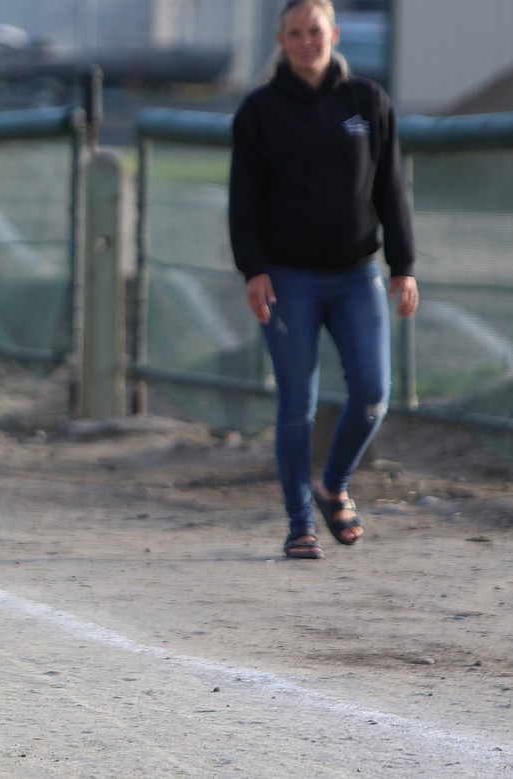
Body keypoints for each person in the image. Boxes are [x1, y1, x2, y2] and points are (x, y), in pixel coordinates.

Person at [227, 0, 419, 560]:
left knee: (372, 393)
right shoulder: (260, 111)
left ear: (333, 33)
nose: (307, 41)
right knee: (297, 404)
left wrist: (404, 266)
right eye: (295, 33)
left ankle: (333, 483)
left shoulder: (368, 101)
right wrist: (253, 270)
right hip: (289, 279)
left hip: (357, 274)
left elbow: (392, 189)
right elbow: (244, 200)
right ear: (281, 39)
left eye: (316, 31)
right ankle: (298, 524)